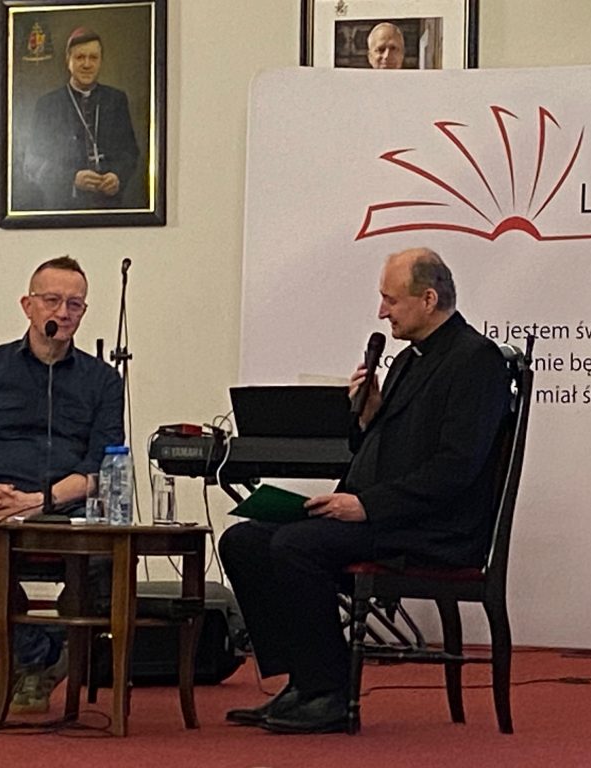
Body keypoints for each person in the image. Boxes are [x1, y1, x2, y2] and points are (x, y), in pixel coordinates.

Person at [219, 247, 511, 734]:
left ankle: (329, 693)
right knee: (243, 540)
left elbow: (456, 469)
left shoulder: (475, 361)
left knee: (296, 546)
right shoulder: (408, 361)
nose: (381, 312)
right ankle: (302, 681)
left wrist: (366, 506)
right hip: (384, 516)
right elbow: (384, 450)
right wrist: (369, 417)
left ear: (428, 299)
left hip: (431, 529)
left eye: (390, 300)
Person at [0, 256, 124, 714]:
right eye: (52, 300)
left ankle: (39, 658)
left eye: (74, 304)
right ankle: (39, 654)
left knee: (107, 560)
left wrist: (41, 500)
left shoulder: (102, 381)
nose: (63, 312)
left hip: (69, 506)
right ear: (27, 305)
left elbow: (102, 465)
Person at [22, 28, 140, 210]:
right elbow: (32, 161)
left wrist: (117, 176)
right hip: (63, 208)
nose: (87, 64)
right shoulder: (48, 104)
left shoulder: (116, 100)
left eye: (93, 58)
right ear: (68, 60)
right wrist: (71, 179)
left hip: (109, 207)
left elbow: (130, 152)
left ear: (101, 61)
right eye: (80, 57)